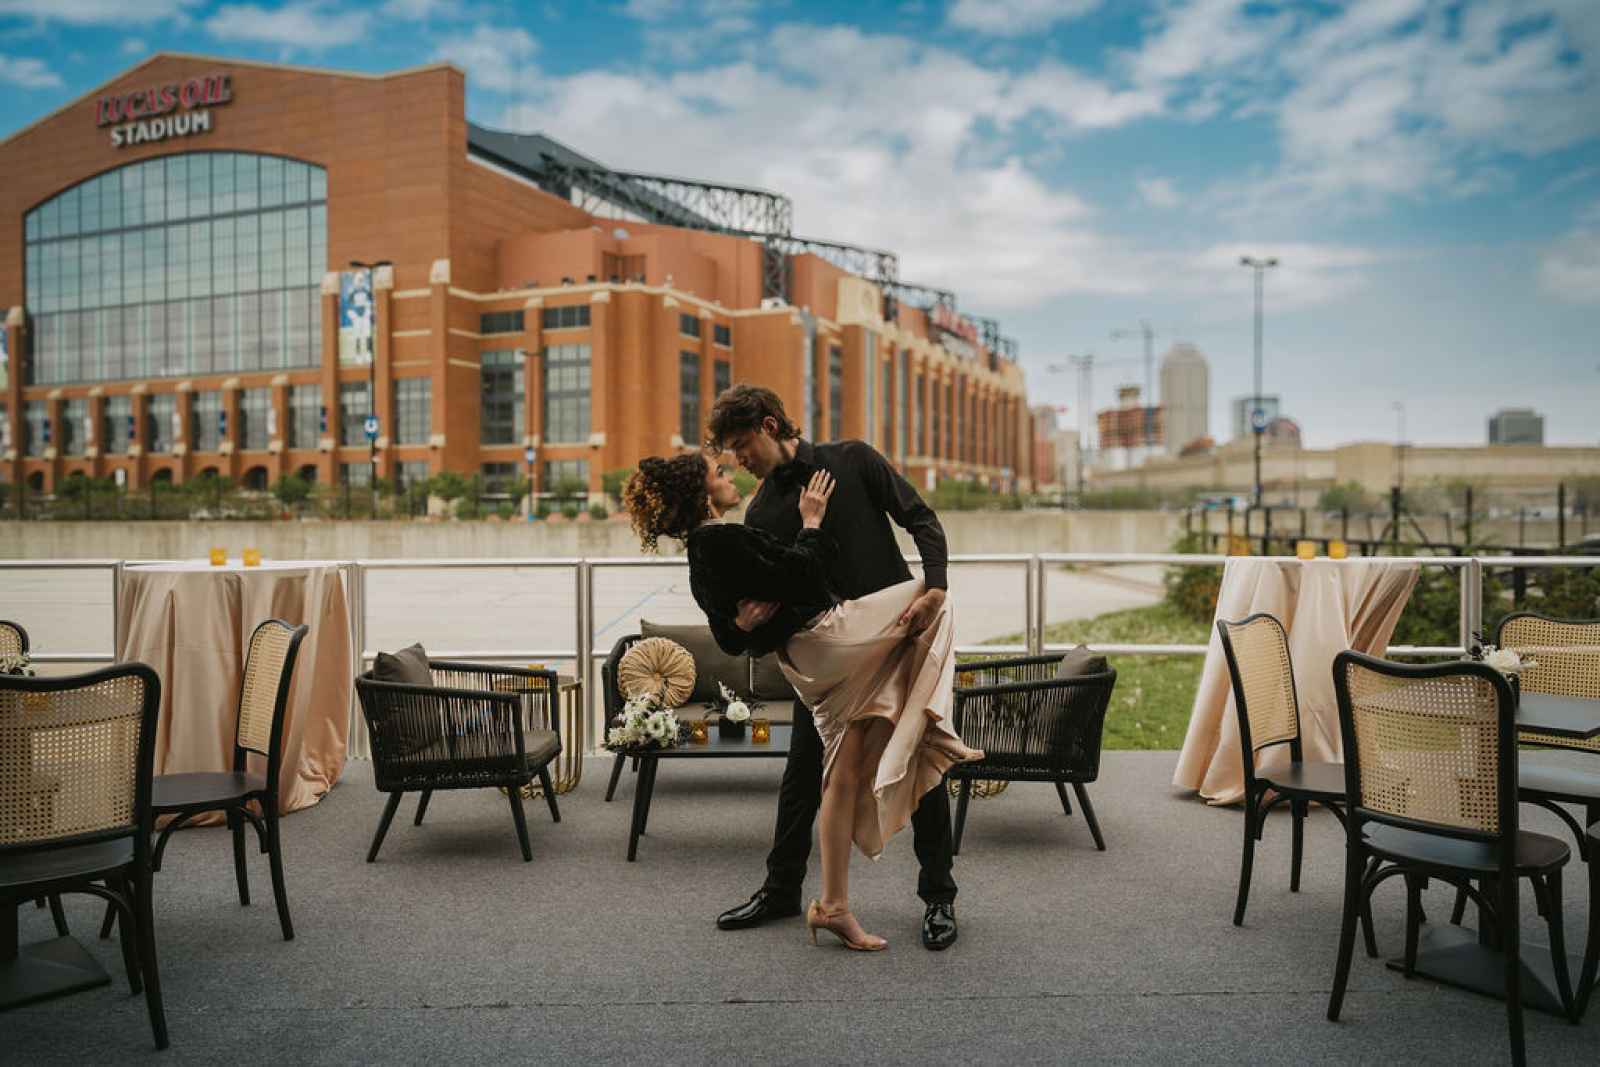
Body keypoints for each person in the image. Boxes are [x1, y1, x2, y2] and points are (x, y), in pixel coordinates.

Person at [622, 449, 980, 951]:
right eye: (719, 470)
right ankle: (937, 731)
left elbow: (726, 631)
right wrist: (812, 522)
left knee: (840, 776)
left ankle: (834, 904)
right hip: (831, 646)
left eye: (735, 451)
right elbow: (804, 576)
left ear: (767, 428)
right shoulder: (728, 534)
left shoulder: (703, 550)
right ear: (702, 493)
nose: (732, 467)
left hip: (815, 659)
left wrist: (740, 624)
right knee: (932, 597)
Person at [708, 384, 968, 951]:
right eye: (731, 450)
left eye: (742, 443)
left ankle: (939, 898)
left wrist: (936, 588)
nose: (739, 458)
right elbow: (780, 595)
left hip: (899, 641)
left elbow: (921, 519)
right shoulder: (762, 511)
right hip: (834, 664)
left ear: (770, 425)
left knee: (921, 770)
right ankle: (782, 890)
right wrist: (747, 623)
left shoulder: (854, 459)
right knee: (801, 775)